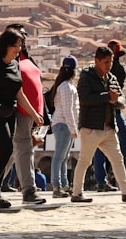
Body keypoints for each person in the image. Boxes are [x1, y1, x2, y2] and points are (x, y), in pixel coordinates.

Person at [0, 29, 43, 208]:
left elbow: (19, 93)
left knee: (4, 151)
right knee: (6, 148)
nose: (18, 49)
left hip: (9, 113)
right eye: (15, 45)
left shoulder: (15, 64)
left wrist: (34, 114)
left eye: (20, 45)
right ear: (5, 45)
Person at [71, 46, 126, 203]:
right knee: (85, 161)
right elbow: (85, 98)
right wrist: (107, 97)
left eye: (111, 61)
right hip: (91, 127)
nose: (109, 65)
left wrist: (115, 100)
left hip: (109, 127)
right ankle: (76, 193)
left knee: (117, 159)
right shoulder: (86, 76)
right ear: (97, 61)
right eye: (106, 62)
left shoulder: (111, 78)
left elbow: (122, 100)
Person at [6, 23, 47, 205]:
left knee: (11, 152)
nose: (23, 38)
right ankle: (29, 191)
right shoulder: (8, 61)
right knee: (23, 149)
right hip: (18, 111)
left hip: (31, 113)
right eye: (19, 35)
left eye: (24, 36)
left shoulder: (25, 58)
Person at [93, 40, 126, 192]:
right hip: (116, 110)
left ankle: (100, 181)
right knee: (125, 146)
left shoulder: (95, 72)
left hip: (99, 112)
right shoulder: (121, 69)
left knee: (98, 148)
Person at [48, 55, 79, 198]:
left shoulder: (64, 85)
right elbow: (68, 110)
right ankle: (57, 186)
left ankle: (64, 184)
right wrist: (74, 129)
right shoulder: (66, 87)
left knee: (64, 157)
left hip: (62, 124)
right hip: (63, 124)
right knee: (59, 157)